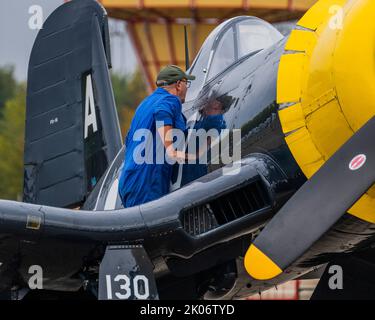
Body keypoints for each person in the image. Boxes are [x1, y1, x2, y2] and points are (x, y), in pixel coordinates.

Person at [118, 65, 195, 208]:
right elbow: (162, 111)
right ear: (178, 85)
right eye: (186, 83)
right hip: (147, 183)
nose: (187, 88)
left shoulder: (144, 104)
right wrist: (170, 149)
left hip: (128, 181)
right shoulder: (171, 100)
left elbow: (128, 141)